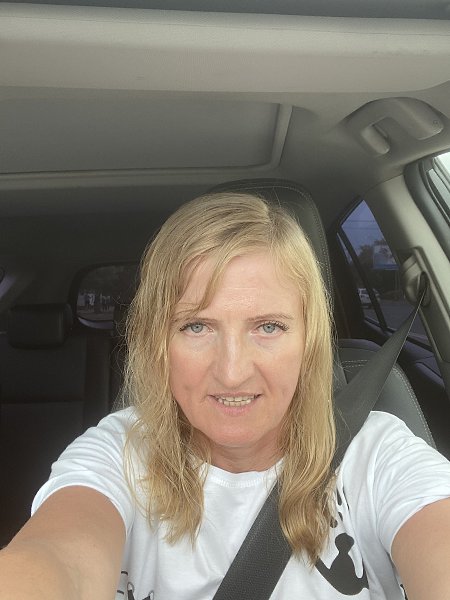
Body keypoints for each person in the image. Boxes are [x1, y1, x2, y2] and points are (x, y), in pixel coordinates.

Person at [1, 192, 450, 600]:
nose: (233, 372)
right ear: (158, 343)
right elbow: (61, 559)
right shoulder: (119, 453)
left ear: (309, 342)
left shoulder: (377, 455)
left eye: (268, 326)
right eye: (196, 326)